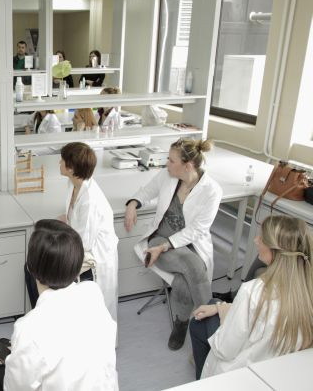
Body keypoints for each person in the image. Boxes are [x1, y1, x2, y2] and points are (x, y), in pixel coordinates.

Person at [0, 219, 118, 391]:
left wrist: (14, 359)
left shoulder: (28, 328)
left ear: (30, 268)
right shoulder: (93, 293)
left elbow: (16, 387)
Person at [124, 138, 223, 350]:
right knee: (193, 267)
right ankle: (212, 329)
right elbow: (147, 191)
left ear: (188, 165)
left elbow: (198, 229)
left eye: (171, 160)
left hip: (192, 244)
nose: (166, 163)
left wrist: (167, 246)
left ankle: (182, 322)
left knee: (183, 282)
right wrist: (132, 204)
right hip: (159, 239)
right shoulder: (167, 175)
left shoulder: (212, 190)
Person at [189, 215, 313, 379]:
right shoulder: (305, 291)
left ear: (274, 251)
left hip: (240, 375)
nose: (256, 240)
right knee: (214, 304)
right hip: (280, 372)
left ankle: (202, 383)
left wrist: (224, 313)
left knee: (197, 323)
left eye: (262, 238)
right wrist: (220, 307)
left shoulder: (253, 291)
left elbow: (224, 349)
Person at [59, 142, 118, 319]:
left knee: (98, 312)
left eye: (62, 160)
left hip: (96, 257)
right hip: (82, 246)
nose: (59, 163)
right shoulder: (74, 184)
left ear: (71, 168)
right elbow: (74, 217)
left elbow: (83, 243)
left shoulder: (90, 200)